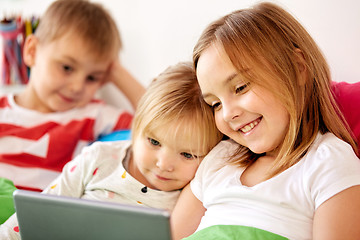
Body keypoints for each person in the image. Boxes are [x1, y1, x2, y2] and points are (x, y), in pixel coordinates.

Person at [171, 2, 360, 240]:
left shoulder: (329, 162)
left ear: (298, 67)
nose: (228, 114)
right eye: (215, 104)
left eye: (240, 87)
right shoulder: (220, 159)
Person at [0, 61, 223, 239]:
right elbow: (38, 213)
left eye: (187, 155)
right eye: (154, 142)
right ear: (136, 127)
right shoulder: (99, 157)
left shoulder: (192, 196)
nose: (164, 164)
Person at [0, 0, 145, 192]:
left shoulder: (94, 115)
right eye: (67, 68)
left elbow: (160, 121)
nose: (77, 87)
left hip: (42, 216)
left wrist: (118, 73)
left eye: (92, 77)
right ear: (32, 51)